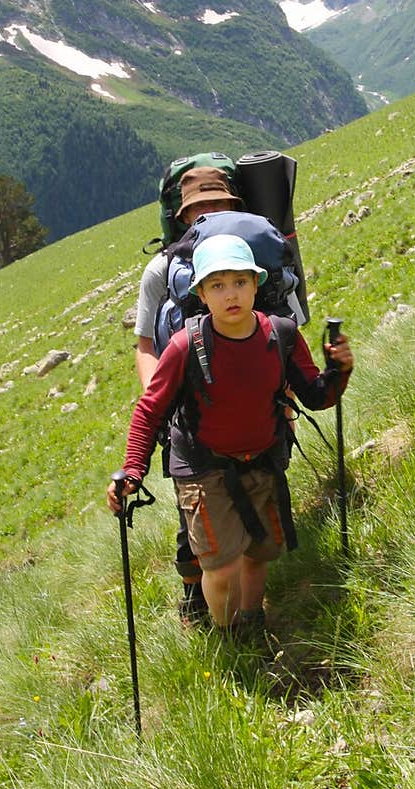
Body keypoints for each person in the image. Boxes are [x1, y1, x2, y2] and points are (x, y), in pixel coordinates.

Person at [109, 234, 353, 640]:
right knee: (219, 567)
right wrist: (133, 471)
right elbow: (150, 408)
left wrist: (338, 371)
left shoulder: (282, 334)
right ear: (201, 294)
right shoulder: (185, 346)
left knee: (260, 553)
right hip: (203, 469)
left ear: (256, 285)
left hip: (263, 459)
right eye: (217, 285)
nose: (230, 294)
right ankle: (229, 636)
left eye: (240, 281)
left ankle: (253, 624)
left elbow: (316, 395)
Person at [133, 165, 244, 625]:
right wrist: (159, 403)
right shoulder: (161, 271)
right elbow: (144, 344)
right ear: (182, 216)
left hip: (251, 403)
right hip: (187, 416)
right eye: (199, 208)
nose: (208, 215)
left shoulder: (249, 258)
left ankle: (246, 596)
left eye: (217, 205)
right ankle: (195, 595)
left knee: (256, 493)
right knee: (193, 510)